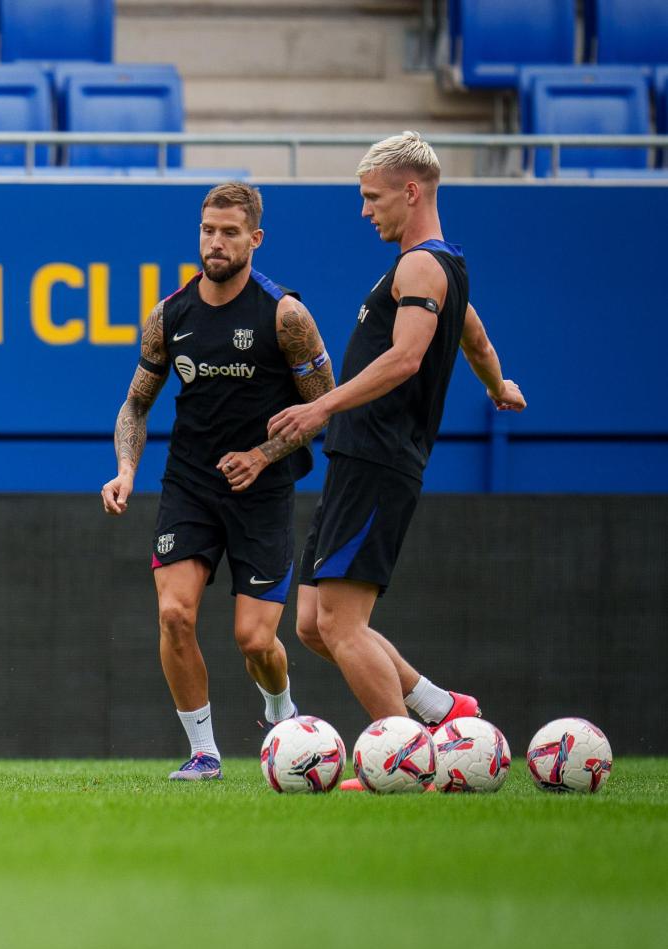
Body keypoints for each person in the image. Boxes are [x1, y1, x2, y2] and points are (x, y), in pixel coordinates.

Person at [267, 133, 527, 787]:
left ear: (411, 193)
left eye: (372, 197)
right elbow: (475, 337)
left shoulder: (421, 269)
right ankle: (443, 711)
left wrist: (321, 409)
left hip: (379, 458)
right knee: (311, 625)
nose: (364, 211)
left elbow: (408, 356)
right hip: (358, 458)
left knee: (342, 624)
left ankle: (405, 765)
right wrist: (499, 385)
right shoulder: (439, 269)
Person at [102, 182, 335, 782]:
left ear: (255, 239)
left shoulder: (286, 315)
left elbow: (324, 408)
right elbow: (134, 405)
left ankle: (281, 711)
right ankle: (205, 754)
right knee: (175, 615)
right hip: (190, 487)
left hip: (262, 491)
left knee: (255, 641)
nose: (216, 241)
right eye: (208, 229)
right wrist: (126, 471)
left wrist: (261, 454)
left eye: (230, 232)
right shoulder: (169, 315)